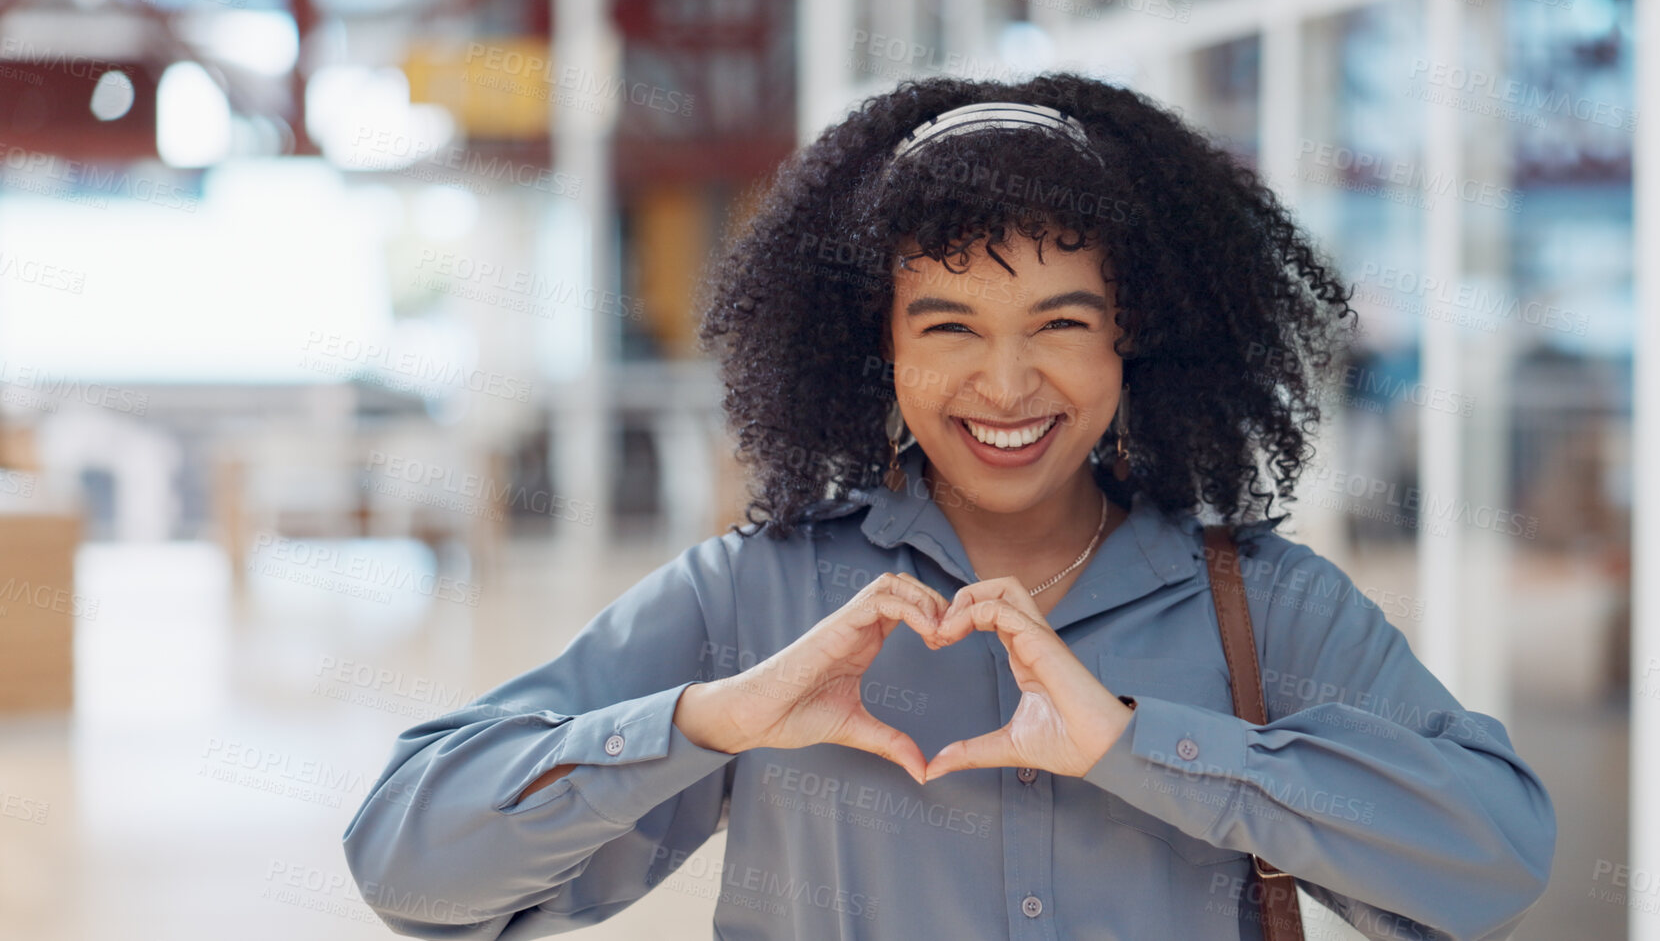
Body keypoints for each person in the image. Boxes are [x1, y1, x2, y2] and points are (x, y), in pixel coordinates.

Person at [341, 73, 1556, 940]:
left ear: (1134, 337)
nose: (1009, 384)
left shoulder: (1265, 607)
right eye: (950, 328)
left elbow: (1493, 862)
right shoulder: (755, 596)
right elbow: (408, 863)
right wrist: (708, 721)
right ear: (874, 346)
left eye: (1062, 326)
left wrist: (1152, 748)